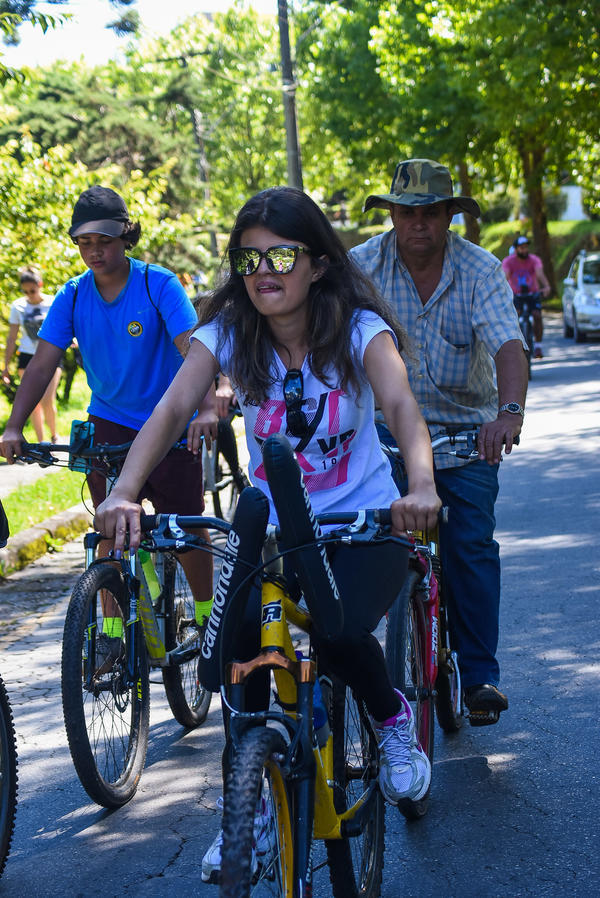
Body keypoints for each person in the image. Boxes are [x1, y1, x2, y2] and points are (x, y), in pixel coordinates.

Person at [93, 186, 441, 883]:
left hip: (363, 524)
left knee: (340, 635)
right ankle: (248, 809)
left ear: (315, 262)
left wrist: (421, 487)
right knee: (237, 657)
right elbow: (169, 410)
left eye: (280, 254)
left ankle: (391, 717)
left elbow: (401, 404)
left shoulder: (358, 327)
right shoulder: (227, 333)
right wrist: (126, 491)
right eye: (247, 260)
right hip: (274, 528)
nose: (263, 272)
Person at [0, 186, 216, 663]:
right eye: (84, 242)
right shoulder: (73, 295)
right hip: (109, 426)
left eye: (104, 239)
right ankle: (112, 632)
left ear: (125, 235)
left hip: (169, 422)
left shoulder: (157, 284)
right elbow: (41, 365)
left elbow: (193, 352)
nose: (95, 250)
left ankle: (207, 617)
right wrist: (15, 426)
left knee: (185, 533)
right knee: (108, 534)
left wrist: (205, 409)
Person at [350, 158, 529, 721]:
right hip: (383, 434)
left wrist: (508, 413)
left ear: (450, 216)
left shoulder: (479, 270)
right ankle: (352, 664)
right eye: (407, 213)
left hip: (465, 431)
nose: (418, 224)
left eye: (431, 213)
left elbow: (508, 346)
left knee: (471, 542)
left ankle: (479, 676)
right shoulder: (362, 265)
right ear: (393, 216)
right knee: (362, 541)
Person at [3, 267, 61, 442]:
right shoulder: (18, 306)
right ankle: (41, 442)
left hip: (51, 355)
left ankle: (54, 436)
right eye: (26, 291)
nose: (30, 295)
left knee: (46, 399)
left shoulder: (53, 302)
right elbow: (12, 338)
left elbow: (65, 326)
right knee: (33, 403)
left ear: (40, 285)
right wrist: (5, 367)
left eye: (33, 290)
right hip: (27, 357)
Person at [502, 235, 551, 358]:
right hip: (516, 295)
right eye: (521, 248)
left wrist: (546, 286)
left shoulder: (534, 260)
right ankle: (515, 345)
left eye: (526, 247)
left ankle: (538, 346)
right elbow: (505, 277)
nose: (524, 250)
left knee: (537, 315)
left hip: (532, 294)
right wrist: (501, 290)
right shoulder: (509, 261)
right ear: (516, 249)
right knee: (515, 316)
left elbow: (540, 274)